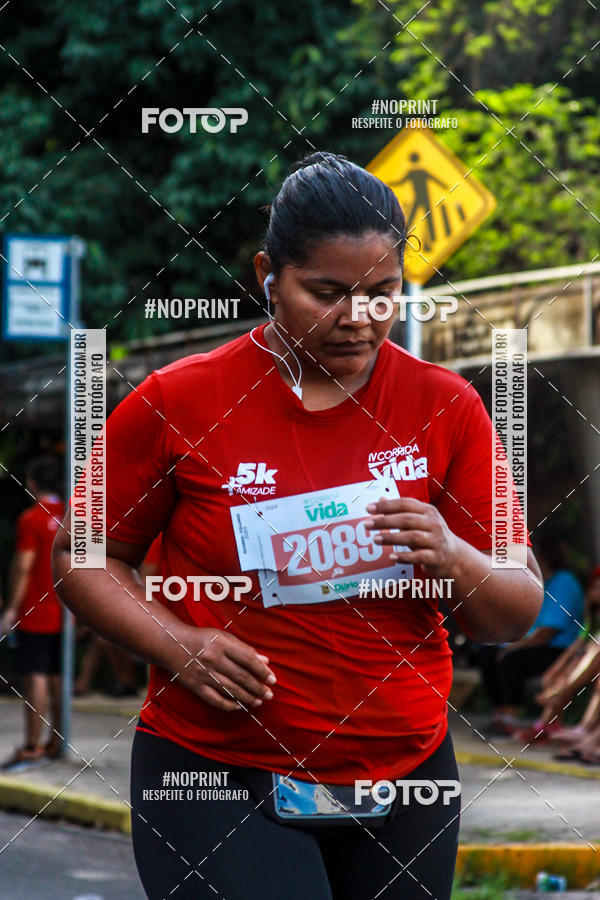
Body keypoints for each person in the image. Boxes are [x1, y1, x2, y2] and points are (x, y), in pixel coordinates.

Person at [53, 152, 543, 900]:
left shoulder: (448, 406)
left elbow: (516, 605)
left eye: (384, 294)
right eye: (328, 293)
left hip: (405, 773)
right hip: (213, 764)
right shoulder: (179, 400)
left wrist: (452, 553)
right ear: (267, 275)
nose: (358, 319)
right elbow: (83, 553)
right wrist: (175, 644)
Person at [482, 536, 584, 737]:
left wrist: (512, 647)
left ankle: (510, 719)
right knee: (489, 655)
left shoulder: (563, 581)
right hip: (534, 643)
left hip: (557, 650)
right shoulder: (540, 582)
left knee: (512, 659)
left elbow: (547, 632)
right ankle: (499, 716)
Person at [1, 456, 65, 772]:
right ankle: (56, 741)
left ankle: (31, 746)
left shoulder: (31, 519)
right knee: (57, 674)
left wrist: (11, 607)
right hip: (67, 610)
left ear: (33, 483)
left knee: (35, 676)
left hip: (36, 611)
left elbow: (23, 566)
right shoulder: (74, 517)